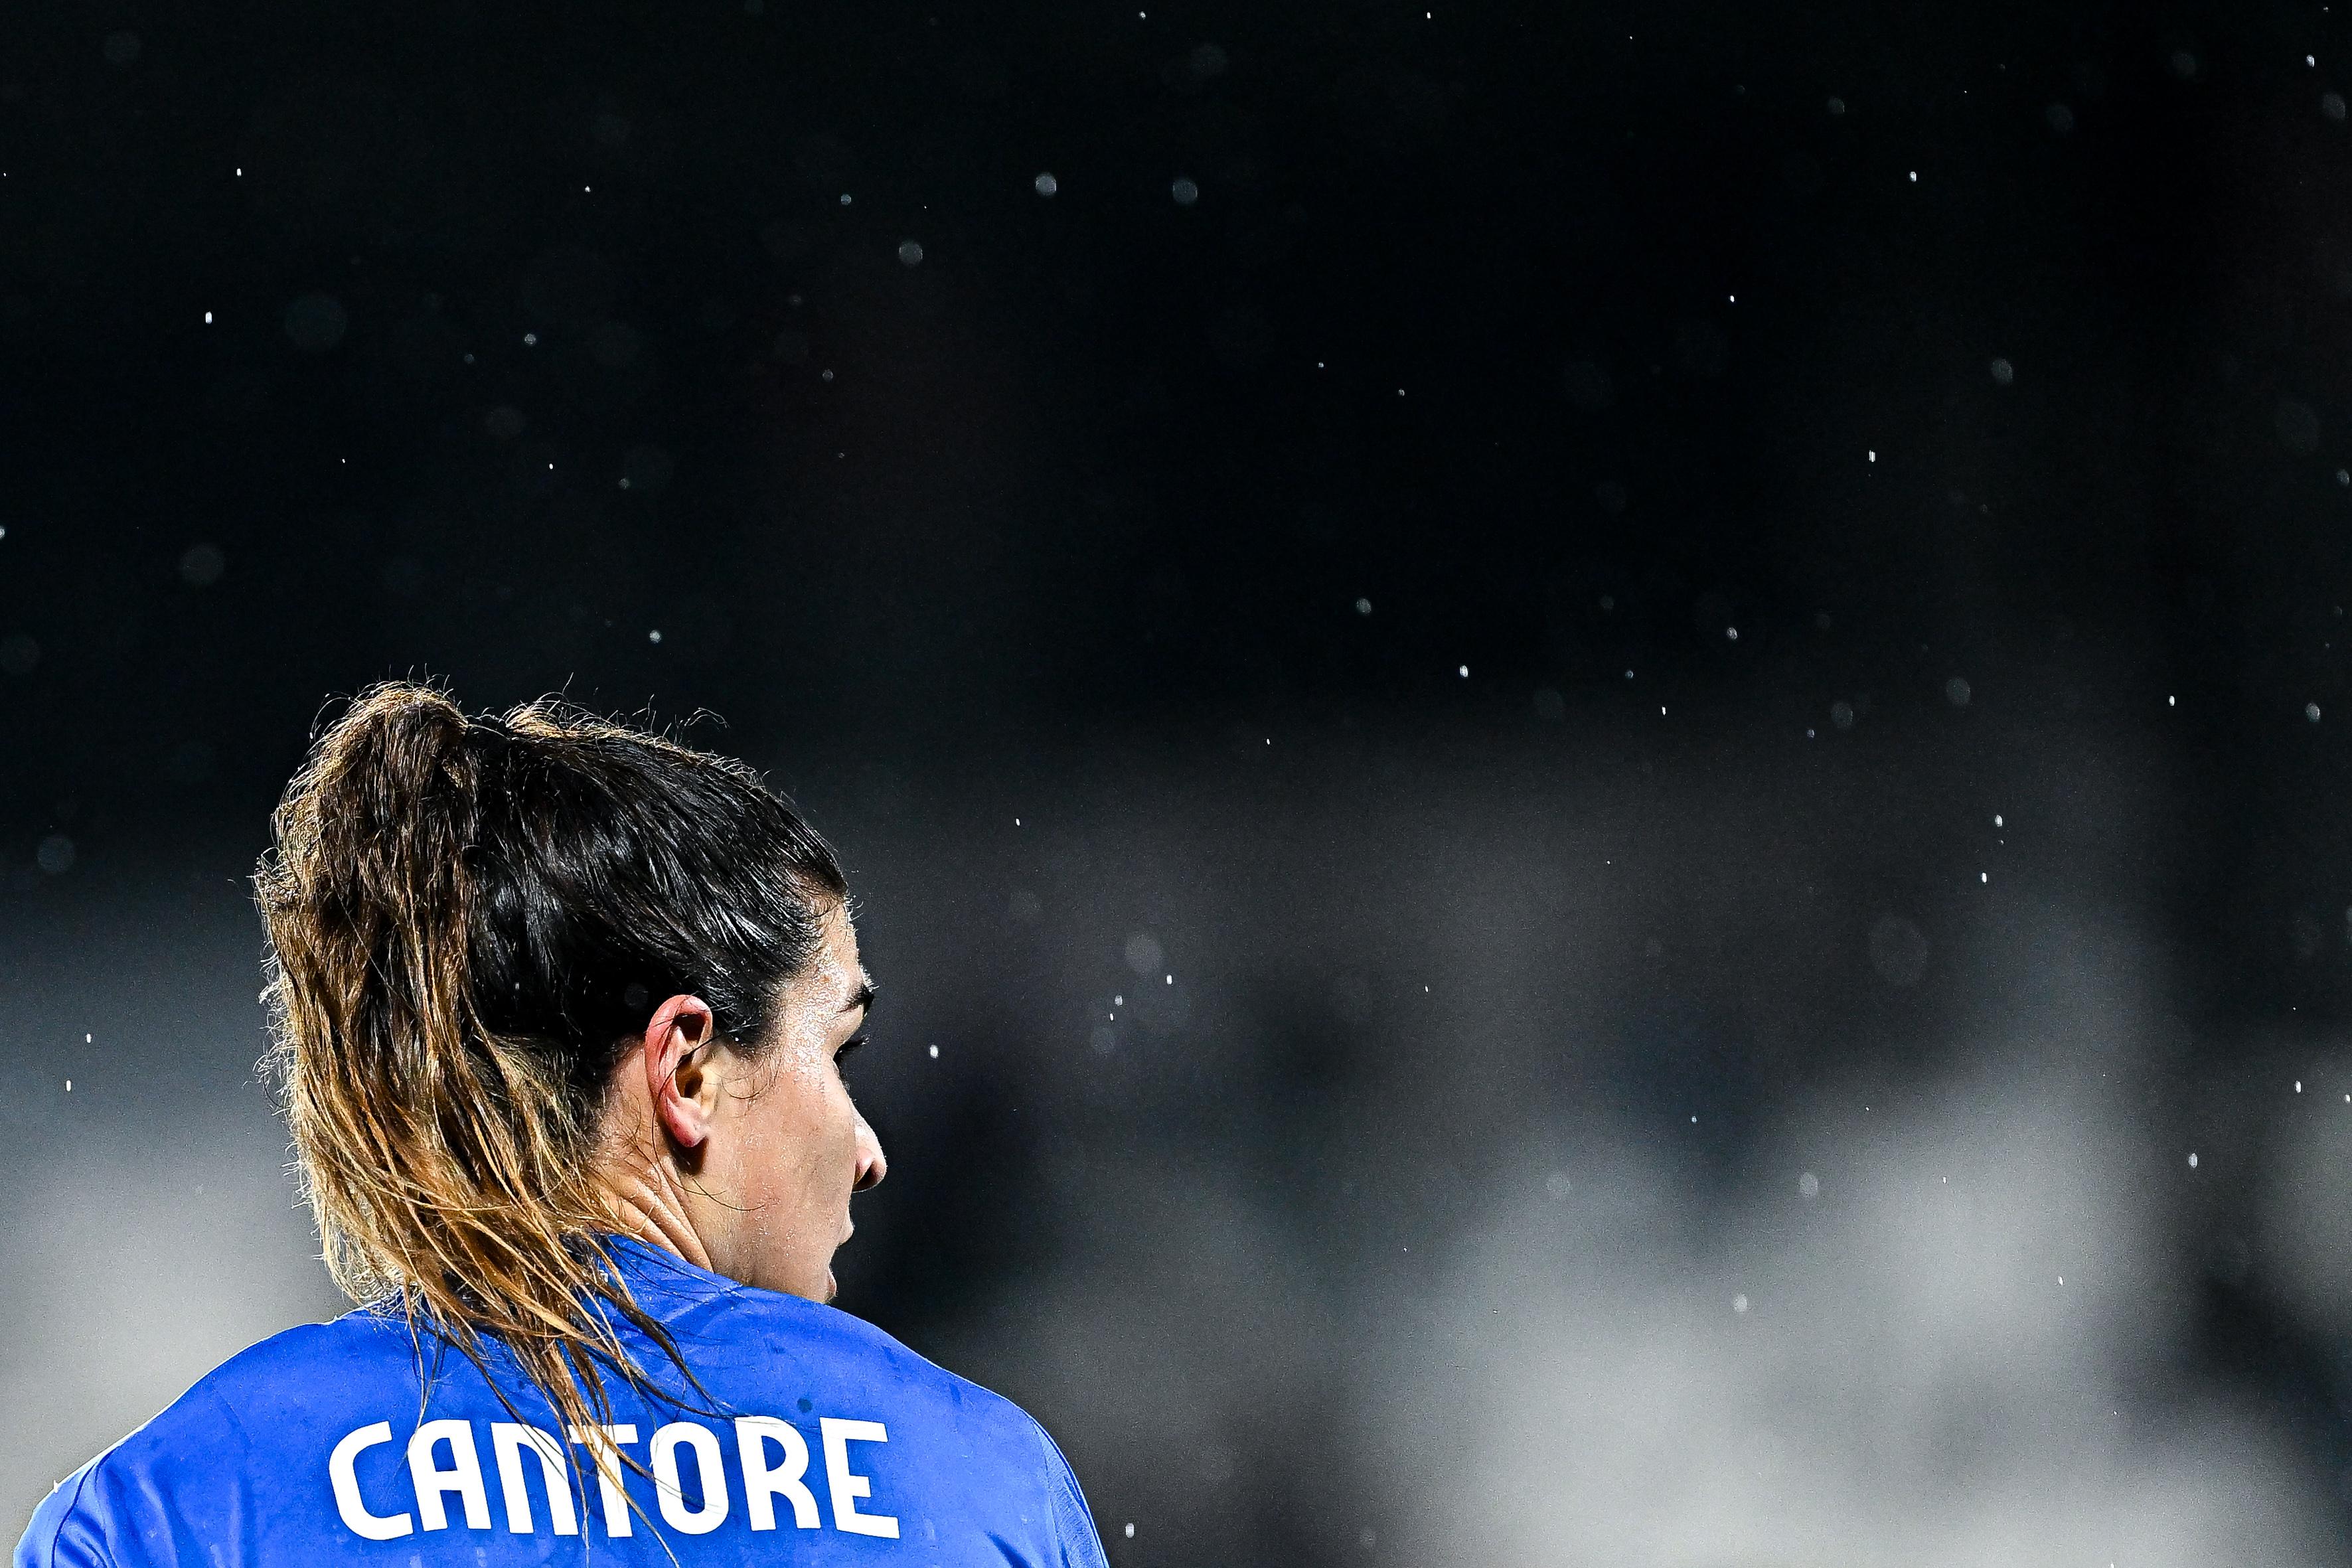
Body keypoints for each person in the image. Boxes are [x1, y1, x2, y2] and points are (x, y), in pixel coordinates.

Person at [13, 683, 1111, 1567]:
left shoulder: (173, 1505)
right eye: (837, 1053)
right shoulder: (971, 1475)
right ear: (684, 1069)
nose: (870, 1152)